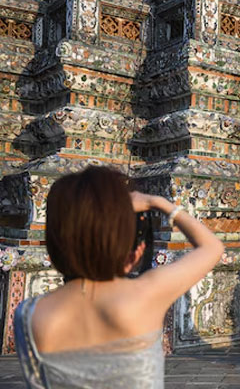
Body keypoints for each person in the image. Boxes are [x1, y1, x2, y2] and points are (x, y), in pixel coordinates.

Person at [13, 166, 224, 388]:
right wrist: (159, 203)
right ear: (132, 250)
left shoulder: (28, 315)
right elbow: (212, 247)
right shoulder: (145, 295)